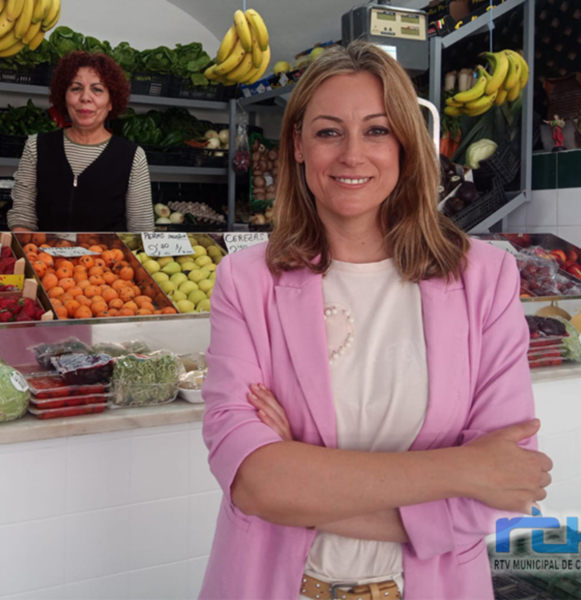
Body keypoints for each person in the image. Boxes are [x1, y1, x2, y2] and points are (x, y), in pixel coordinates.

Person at [199, 41, 552, 600]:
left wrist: (304, 476)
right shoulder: (246, 282)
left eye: (377, 130)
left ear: (406, 144)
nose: (352, 155)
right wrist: (463, 469)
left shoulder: (485, 279)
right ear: (298, 145)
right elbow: (256, 483)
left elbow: (504, 488)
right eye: (329, 132)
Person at [8, 51, 154, 232]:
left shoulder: (132, 156)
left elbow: (141, 230)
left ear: (111, 102)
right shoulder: (36, 147)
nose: (85, 97)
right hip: (44, 250)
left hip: (108, 251)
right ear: (64, 97)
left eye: (97, 89)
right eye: (76, 88)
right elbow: (22, 217)